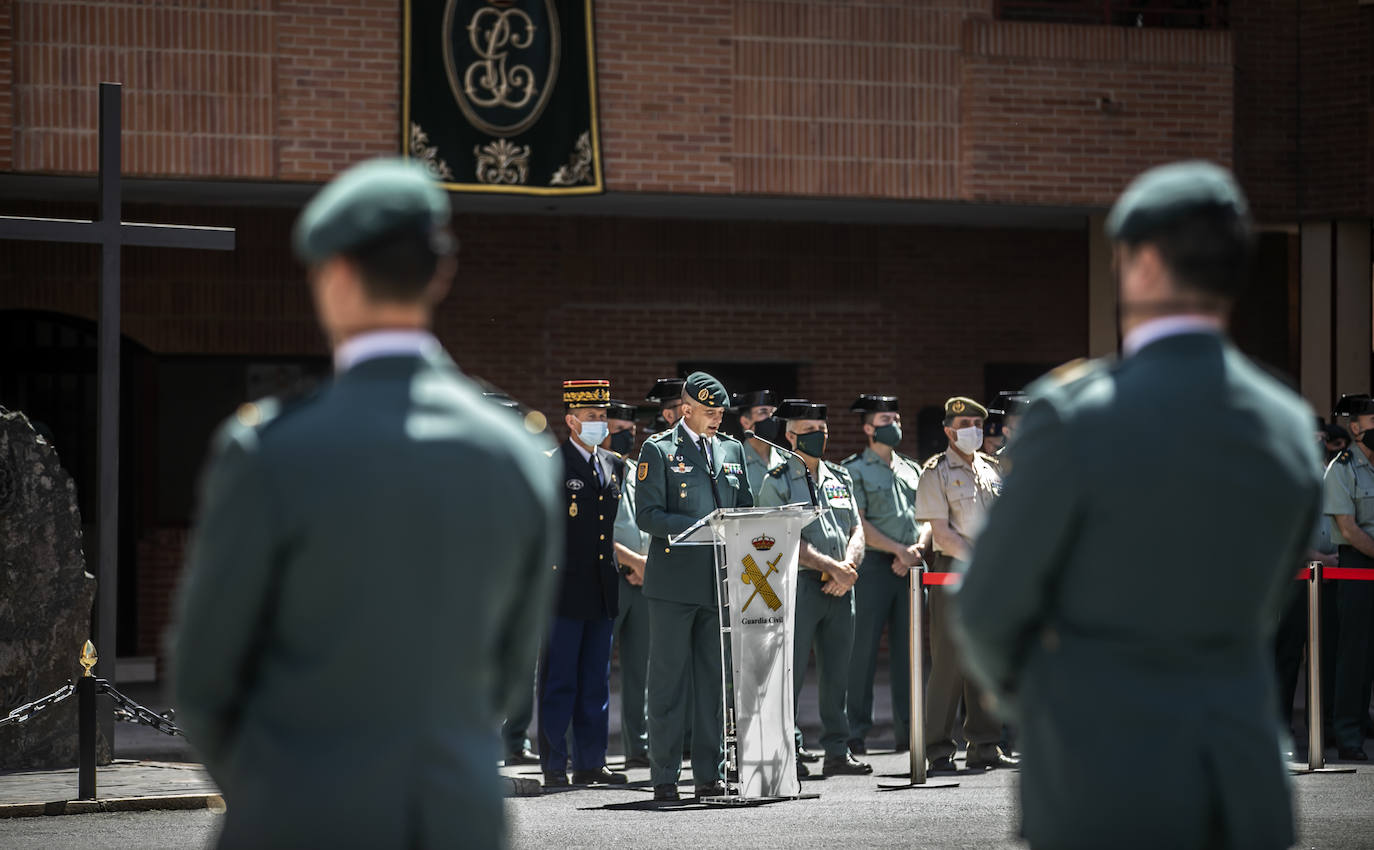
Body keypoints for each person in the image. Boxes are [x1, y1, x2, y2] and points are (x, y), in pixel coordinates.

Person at [171, 158, 560, 849]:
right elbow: (506, 674)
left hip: (298, 816)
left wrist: (274, 781)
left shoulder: (270, 451)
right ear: (439, 275)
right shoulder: (518, 453)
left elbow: (204, 676)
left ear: (336, 276)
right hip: (459, 817)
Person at [957, 160, 1321, 850]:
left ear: (1145, 264)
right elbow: (1266, 601)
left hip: (1103, 776)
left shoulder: (1075, 414)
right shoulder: (1287, 423)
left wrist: (1045, 698)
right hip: (1244, 778)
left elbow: (986, 607)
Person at [635, 371, 754, 801]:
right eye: (709, 412)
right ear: (686, 409)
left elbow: (745, 509)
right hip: (672, 585)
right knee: (667, 684)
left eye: (721, 412)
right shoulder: (660, 449)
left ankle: (711, 774)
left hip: (719, 584)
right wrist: (700, 527)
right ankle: (665, 776)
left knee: (713, 685)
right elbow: (647, 515)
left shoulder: (732, 449)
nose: (717, 419)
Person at [756, 400, 870, 776]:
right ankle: (790, 749)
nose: (818, 437)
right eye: (809, 432)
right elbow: (780, 537)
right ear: (790, 437)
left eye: (822, 430)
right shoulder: (775, 482)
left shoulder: (839, 476)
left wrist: (848, 567)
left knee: (839, 673)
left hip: (842, 587)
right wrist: (831, 567)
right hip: (798, 587)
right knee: (790, 673)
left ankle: (838, 750)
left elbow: (856, 527)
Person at [913, 396, 1013, 773]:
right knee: (949, 664)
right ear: (948, 430)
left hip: (992, 573)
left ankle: (985, 744)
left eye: (976, 422)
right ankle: (938, 748)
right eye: (963, 424)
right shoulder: (935, 472)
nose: (971, 429)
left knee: (985, 659)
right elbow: (941, 531)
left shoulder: (991, 468)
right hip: (954, 570)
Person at [538, 380, 629, 787]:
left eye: (603, 417)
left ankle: (591, 762)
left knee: (595, 680)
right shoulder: (552, 464)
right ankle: (555, 762)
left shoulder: (614, 465)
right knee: (561, 679)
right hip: (563, 589)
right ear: (571, 420)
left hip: (601, 587)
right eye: (592, 418)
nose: (600, 423)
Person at [841, 394, 924, 754]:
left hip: (912, 567)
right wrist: (898, 551)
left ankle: (910, 732)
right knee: (863, 652)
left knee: (911, 653)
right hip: (874, 566)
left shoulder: (912, 468)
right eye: (886, 420)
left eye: (897, 417)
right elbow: (859, 523)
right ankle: (855, 730)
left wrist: (915, 550)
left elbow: (928, 517)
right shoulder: (853, 469)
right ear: (868, 428)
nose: (895, 425)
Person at [1323, 393, 1374, 761]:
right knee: (1353, 652)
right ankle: (1347, 733)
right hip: (1357, 564)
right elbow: (1349, 528)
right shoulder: (1342, 468)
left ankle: (1362, 718)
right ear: (1355, 428)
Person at [608, 400, 652, 769]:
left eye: (631, 431)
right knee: (595, 669)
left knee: (643, 670)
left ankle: (638, 746)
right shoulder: (593, 470)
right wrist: (633, 560)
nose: (626, 436)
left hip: (643, 580)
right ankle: (583, 747)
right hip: (608, 578)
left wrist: (646, 564)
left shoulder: (639, 470)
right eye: (618, 428)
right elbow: (590, 532)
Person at [732, 389, 783, 495]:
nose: (771, 417)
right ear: (745, 422)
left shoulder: (786, 460)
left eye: (774, 412)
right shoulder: (735, 462)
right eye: (763, 412)